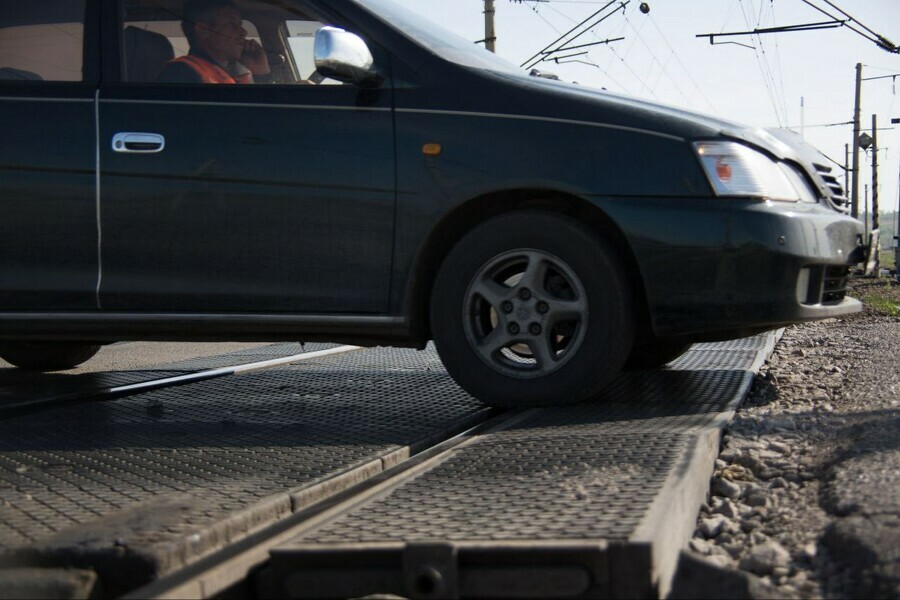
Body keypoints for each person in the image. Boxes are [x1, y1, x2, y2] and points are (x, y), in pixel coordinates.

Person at [158, 0, 271, 84]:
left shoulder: (232, 72)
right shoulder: (181, 72)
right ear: (204, 31)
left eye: (240, 25)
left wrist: (260, 70)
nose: (243, 32)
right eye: (232, 24)